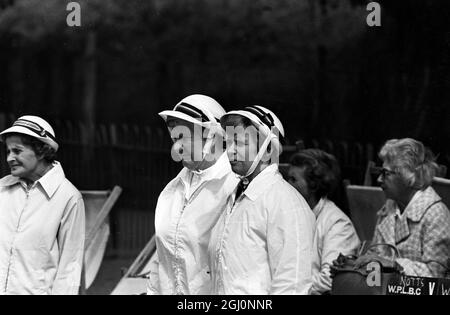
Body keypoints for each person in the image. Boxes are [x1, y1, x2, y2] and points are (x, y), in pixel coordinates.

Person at [208, 106, 316, 295]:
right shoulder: (235, 195)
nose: (230, 152)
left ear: (267, 151)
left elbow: (293, 286)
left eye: (240, 143)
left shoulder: (287, 205)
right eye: (228, 143)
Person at [147, 95, 239, 295]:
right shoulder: (171, 192)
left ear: (212, 135)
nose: (176, 148)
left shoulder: (236, 189)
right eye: (174, 138)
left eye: (183, 137)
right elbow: (162, 262)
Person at [0, 116, 85, 295]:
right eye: (8, 151)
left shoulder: (68, 197)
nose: (9, 158)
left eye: (17, 151)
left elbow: (69, 268)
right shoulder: (2, 190)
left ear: (41, 150)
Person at [368, 138, 450, 277]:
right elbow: (373, 271)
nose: (379, 179)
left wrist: (391, 265)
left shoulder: (436, 214)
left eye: (386, 173)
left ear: (408, 175)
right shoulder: (389, 209)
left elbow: (436, 276)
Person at [287, 149, 360, 294]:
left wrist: (287, 289)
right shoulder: (288, 215)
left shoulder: (337, 224)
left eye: (293, 180)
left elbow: (330, 279)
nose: (287, 185)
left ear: (313, 185)